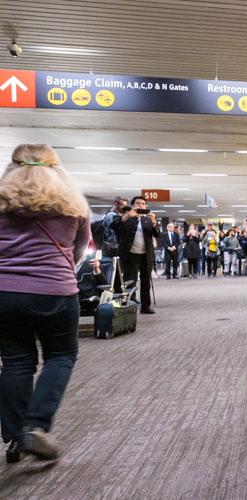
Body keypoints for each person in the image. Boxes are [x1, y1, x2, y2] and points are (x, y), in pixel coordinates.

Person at [0, 143, 91, 463]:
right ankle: (35, 427)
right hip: (54, 293)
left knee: (15, 362)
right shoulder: (73, 205)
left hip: (3, 294)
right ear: (55, 167)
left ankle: (14, 437)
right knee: (61, 355)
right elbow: (79, 252)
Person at [110, 196, 160, 314]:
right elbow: (113, 226)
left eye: (143, 204)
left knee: (146, 281)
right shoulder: (127, 218)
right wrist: (127, 216)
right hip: (130, 255)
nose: (140, 205)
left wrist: (154, 222)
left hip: (146, 255)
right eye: (137, 203)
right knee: (130, 281)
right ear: (132, 206)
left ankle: (145, 306)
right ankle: (130, 305)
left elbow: (157, 235)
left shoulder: (147, 220)